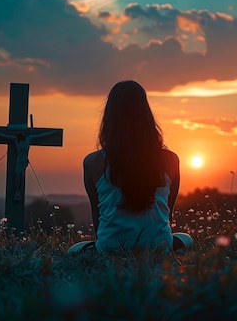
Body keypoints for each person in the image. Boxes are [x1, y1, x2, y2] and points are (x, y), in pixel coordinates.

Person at [68, 80, 192, 253]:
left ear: (109, 117)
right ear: (146, 115)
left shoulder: (92, 163)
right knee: (186, 238)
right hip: (158, 247)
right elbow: (166, 215)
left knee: (74, 250)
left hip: (111, 248)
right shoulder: (171, 160)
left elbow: (99, 220)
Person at [0, 128, 57, 201]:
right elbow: (3, 136)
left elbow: (41, 135)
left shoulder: (29, 139)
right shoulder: (16, 140)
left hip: (24, 160)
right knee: (18, 175)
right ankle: (17, 190)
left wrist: (52, 132)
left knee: (22, 175)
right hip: (19, 160)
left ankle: (18, 190)